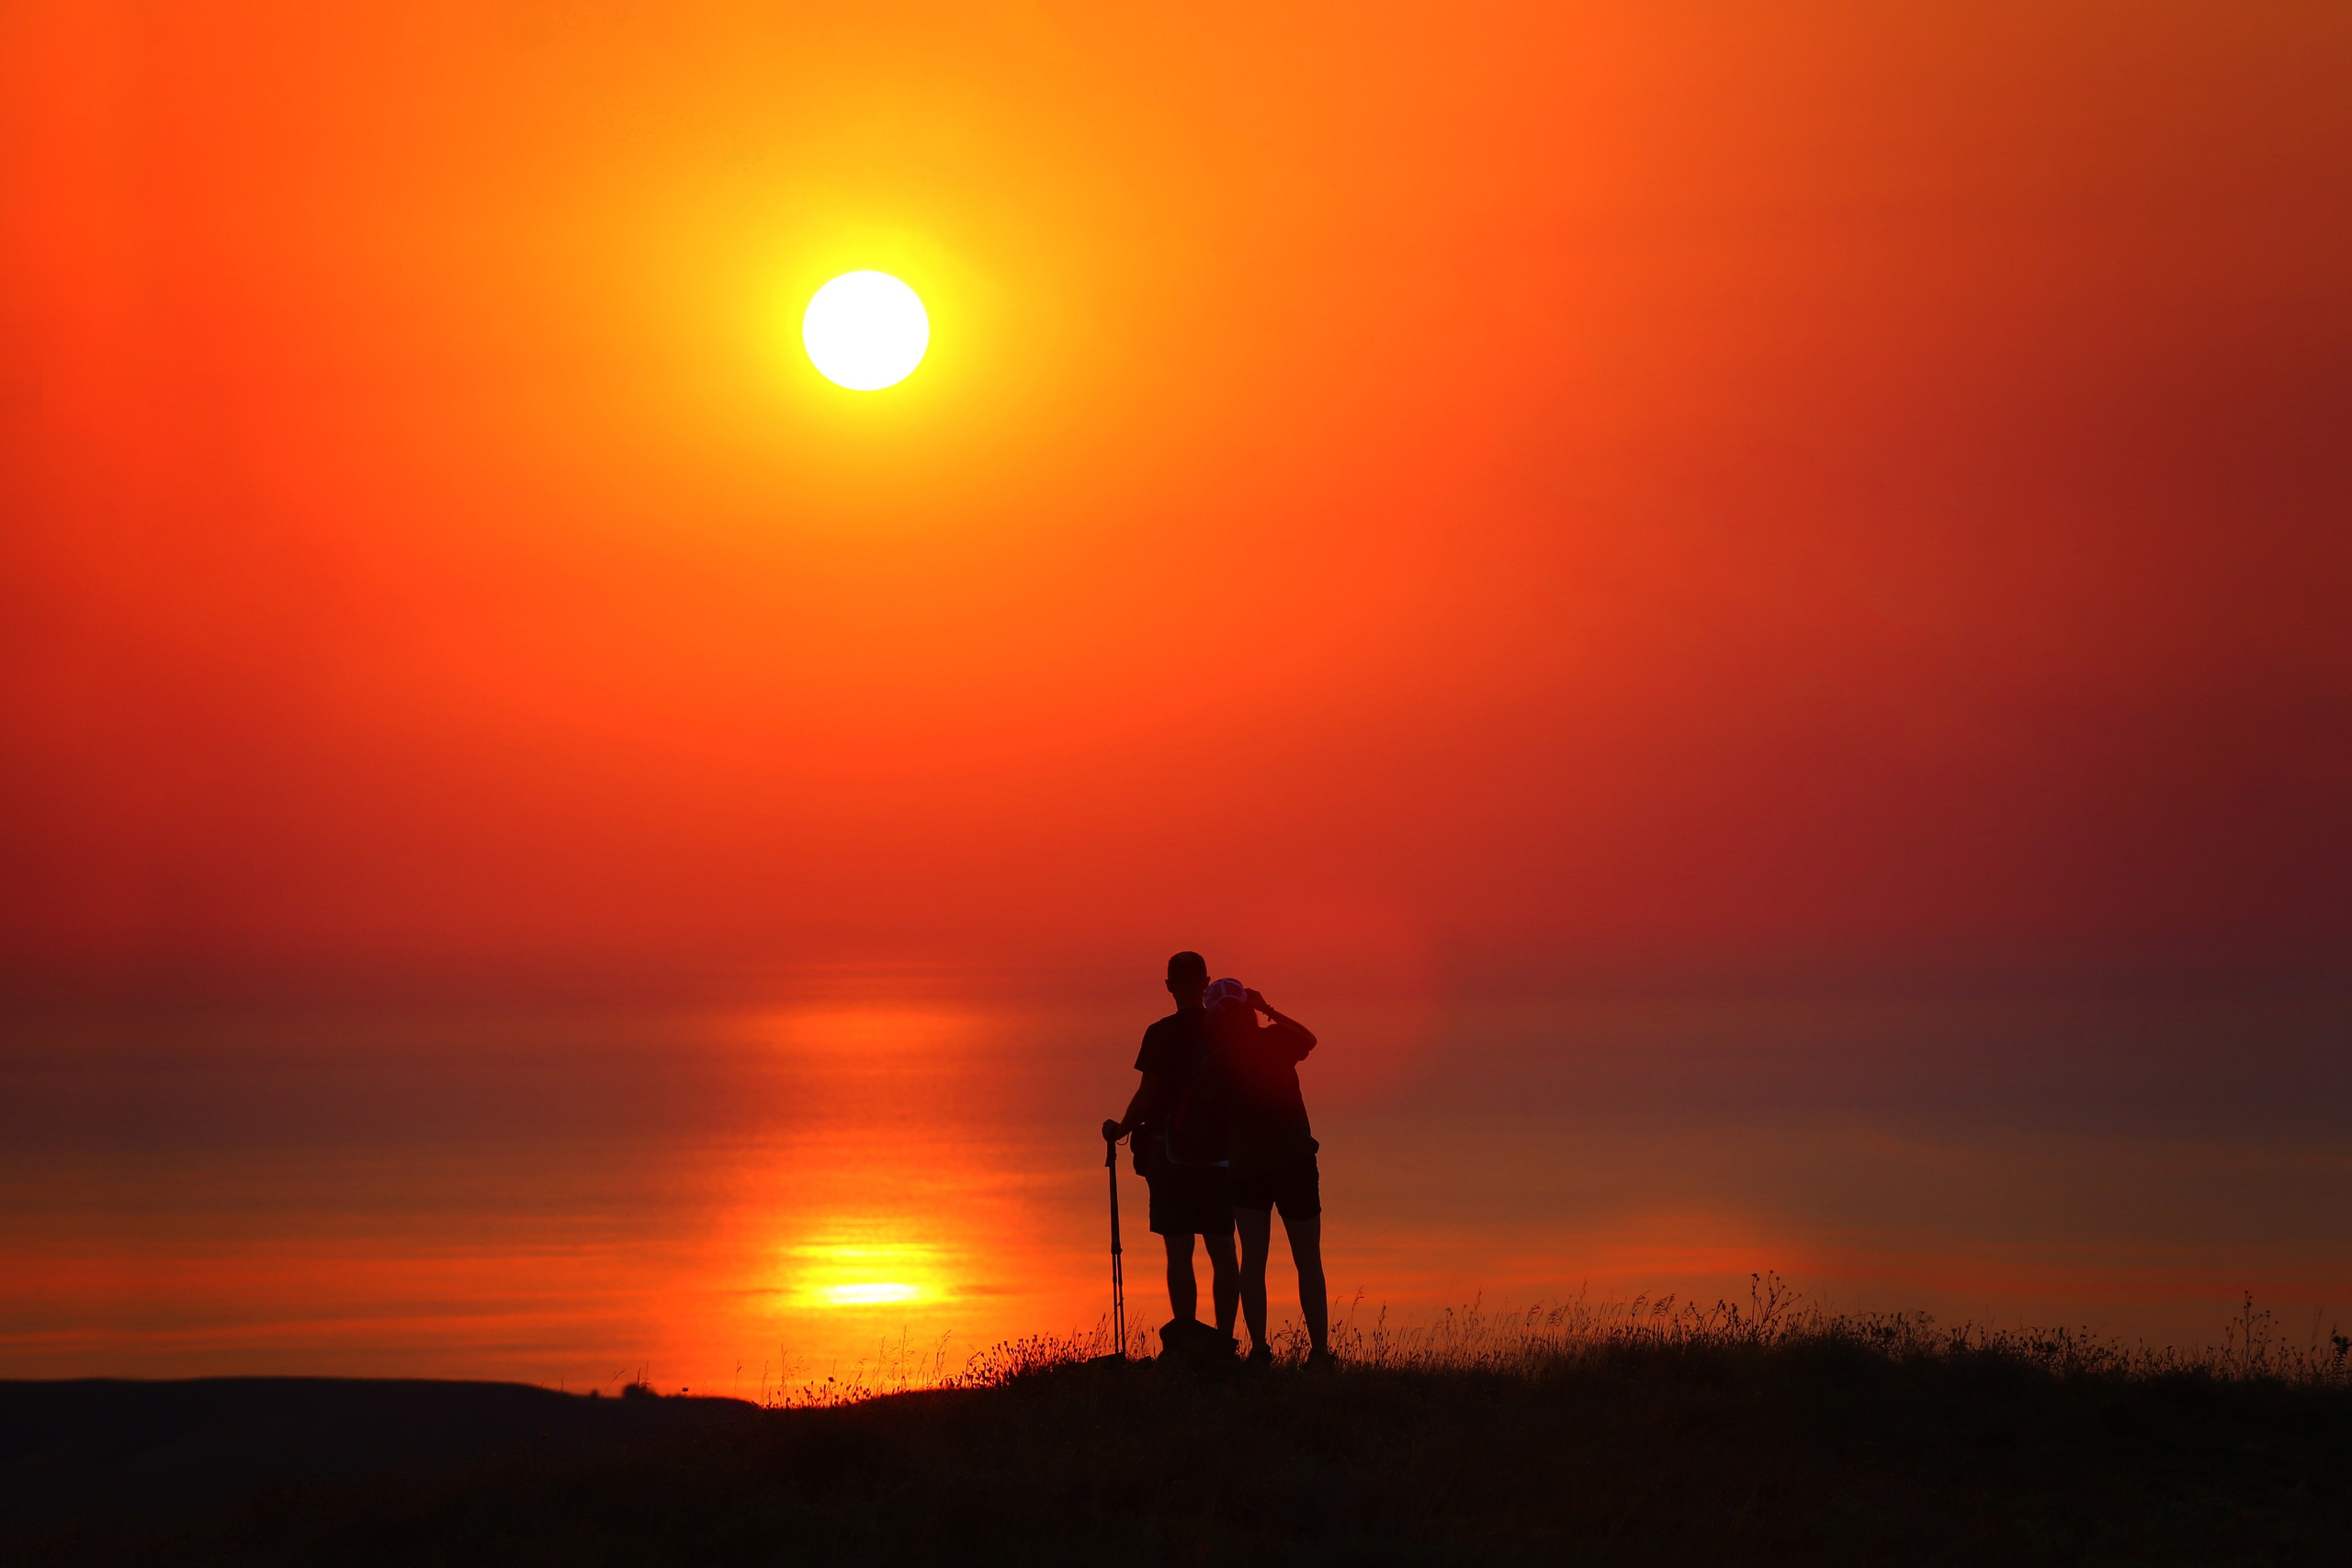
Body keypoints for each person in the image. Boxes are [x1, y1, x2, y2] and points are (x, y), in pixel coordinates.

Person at [1102, 951, 1239, 1354]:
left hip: (1171, 1154)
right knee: (1222, 1247)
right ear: (1206, 982)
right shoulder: (1225, 1032)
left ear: (1169, 986)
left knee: (1179, 1249)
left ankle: (1184, 1340)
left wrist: (1121, 1129)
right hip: (1221, 1156)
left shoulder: (1160, 1033)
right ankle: (1224, 1339)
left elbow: (1149, 1094)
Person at [1204, 976, 1332, 1368]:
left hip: (1246, 1168)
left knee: (1253, 1257)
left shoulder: (1217, 1061)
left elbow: (1211, 1114)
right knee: (1308, 1258)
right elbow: (1308, 1039)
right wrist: (1268, 1008)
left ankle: (1259, 1350)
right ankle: (1320, 1353)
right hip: (1294, 1160)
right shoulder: (1277, 1041)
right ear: (1247, 1007)